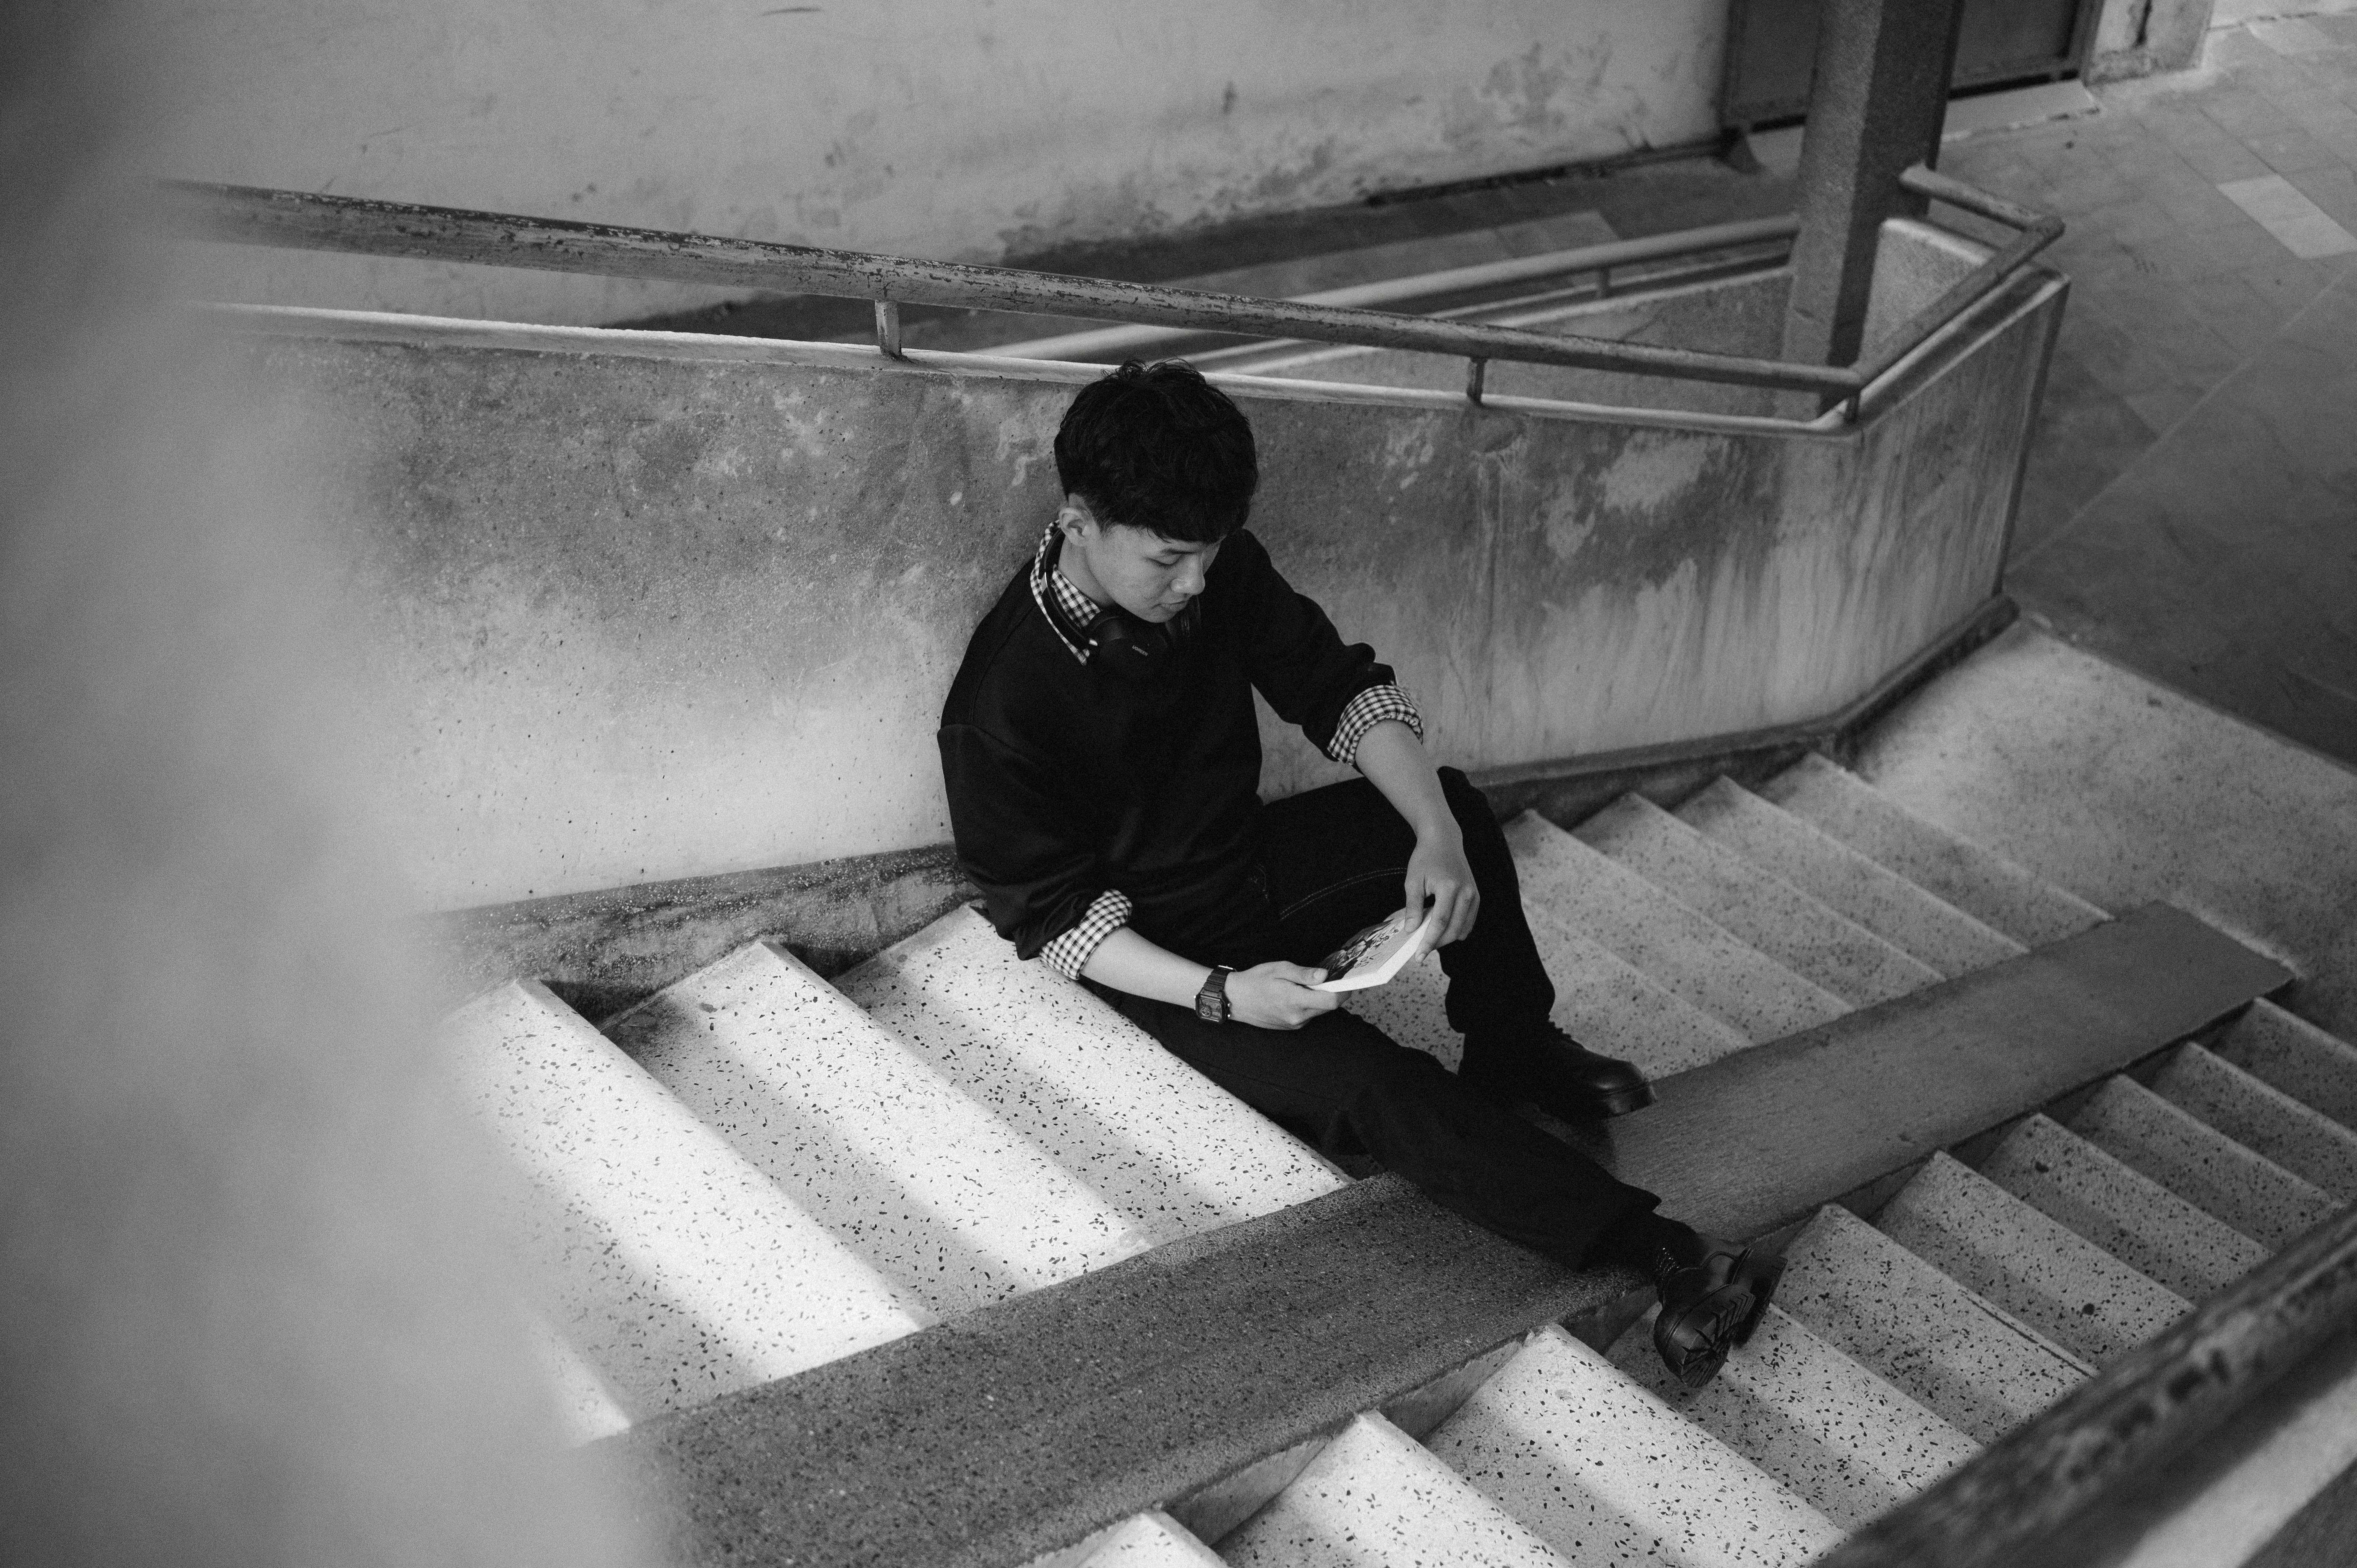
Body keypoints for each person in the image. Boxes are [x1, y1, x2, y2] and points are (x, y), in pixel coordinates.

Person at [937, 360, 1779, 1385]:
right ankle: (1663, 1253)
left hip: (1252, 866)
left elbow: (1337, 691)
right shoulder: (1000, 704)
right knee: (1383, 1090)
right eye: (1169, 560)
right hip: (1166, 956)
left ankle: (1512, 1047)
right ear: (1078, 521)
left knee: (1452, 806)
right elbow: (1052, 917)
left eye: (1210, 553)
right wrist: (1222, 993)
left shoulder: (1216, 570)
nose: (1196, 582)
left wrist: (1432, 832)